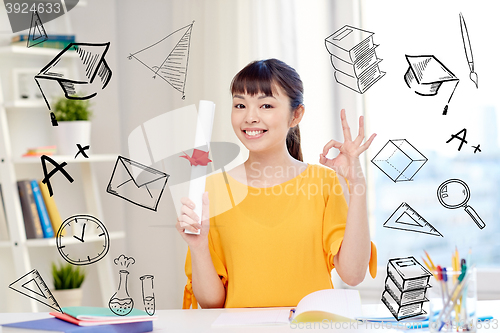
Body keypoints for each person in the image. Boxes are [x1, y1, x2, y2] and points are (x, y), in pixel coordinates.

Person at [176, 59, 377, 309]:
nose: (250, 117)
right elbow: (211, 303)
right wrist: (198, 248)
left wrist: (357, 186)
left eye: (266, 105)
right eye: (240, 105)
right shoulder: (212, 190)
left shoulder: (323, 182)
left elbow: (353, 274)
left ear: (296, 115)